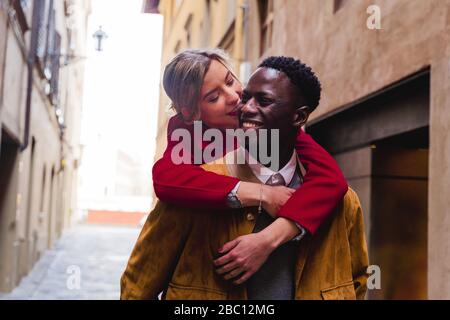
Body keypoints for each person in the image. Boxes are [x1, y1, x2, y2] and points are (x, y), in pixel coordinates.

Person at [120, 56, 369, 300]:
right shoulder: (190, 165)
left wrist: (269, 238)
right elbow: (165, 179)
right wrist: (260, 194)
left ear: (298, 118)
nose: (237, 100)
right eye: (213, 97)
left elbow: (332, 181)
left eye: (231, 81)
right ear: (192, 113)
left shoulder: (339, 197)